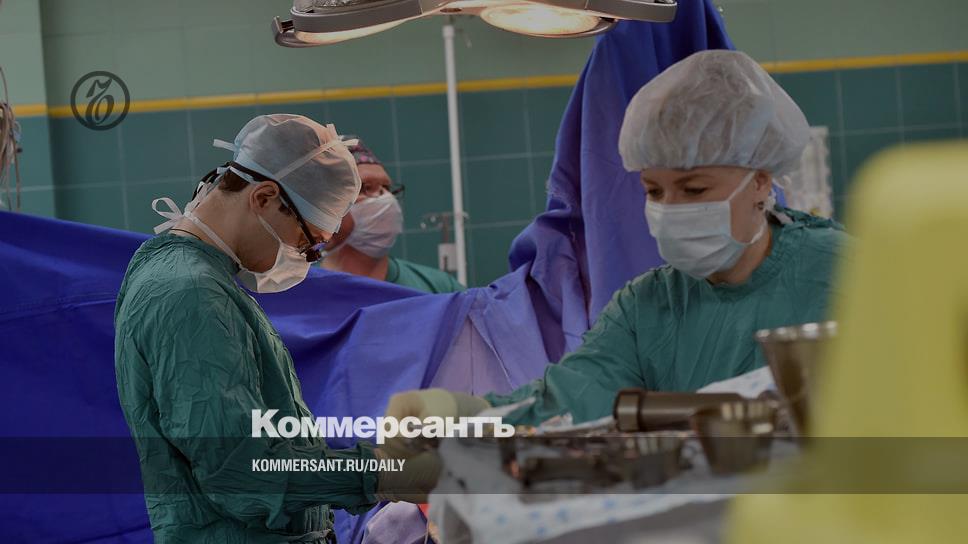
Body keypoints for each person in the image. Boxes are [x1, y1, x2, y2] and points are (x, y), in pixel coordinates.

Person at [385, 49, 849, 437]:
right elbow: (571, 400)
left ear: (760, 180)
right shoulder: (648, 307)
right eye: (654, 191)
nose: (670, 208)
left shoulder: (843, 271)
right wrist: (462, 418)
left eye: (694, 190)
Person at [114, 114, 438, 543]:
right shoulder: (190, 292)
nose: (303, 257)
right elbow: (243, 474)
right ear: (264, 197)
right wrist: (385, 472)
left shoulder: (185, 273)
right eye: (307, 242)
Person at [321, 137, 464, 294]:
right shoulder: (306, 290)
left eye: (387, 188)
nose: (385, 198)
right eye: (366, 188)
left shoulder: (439, 288)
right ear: (328, 208)